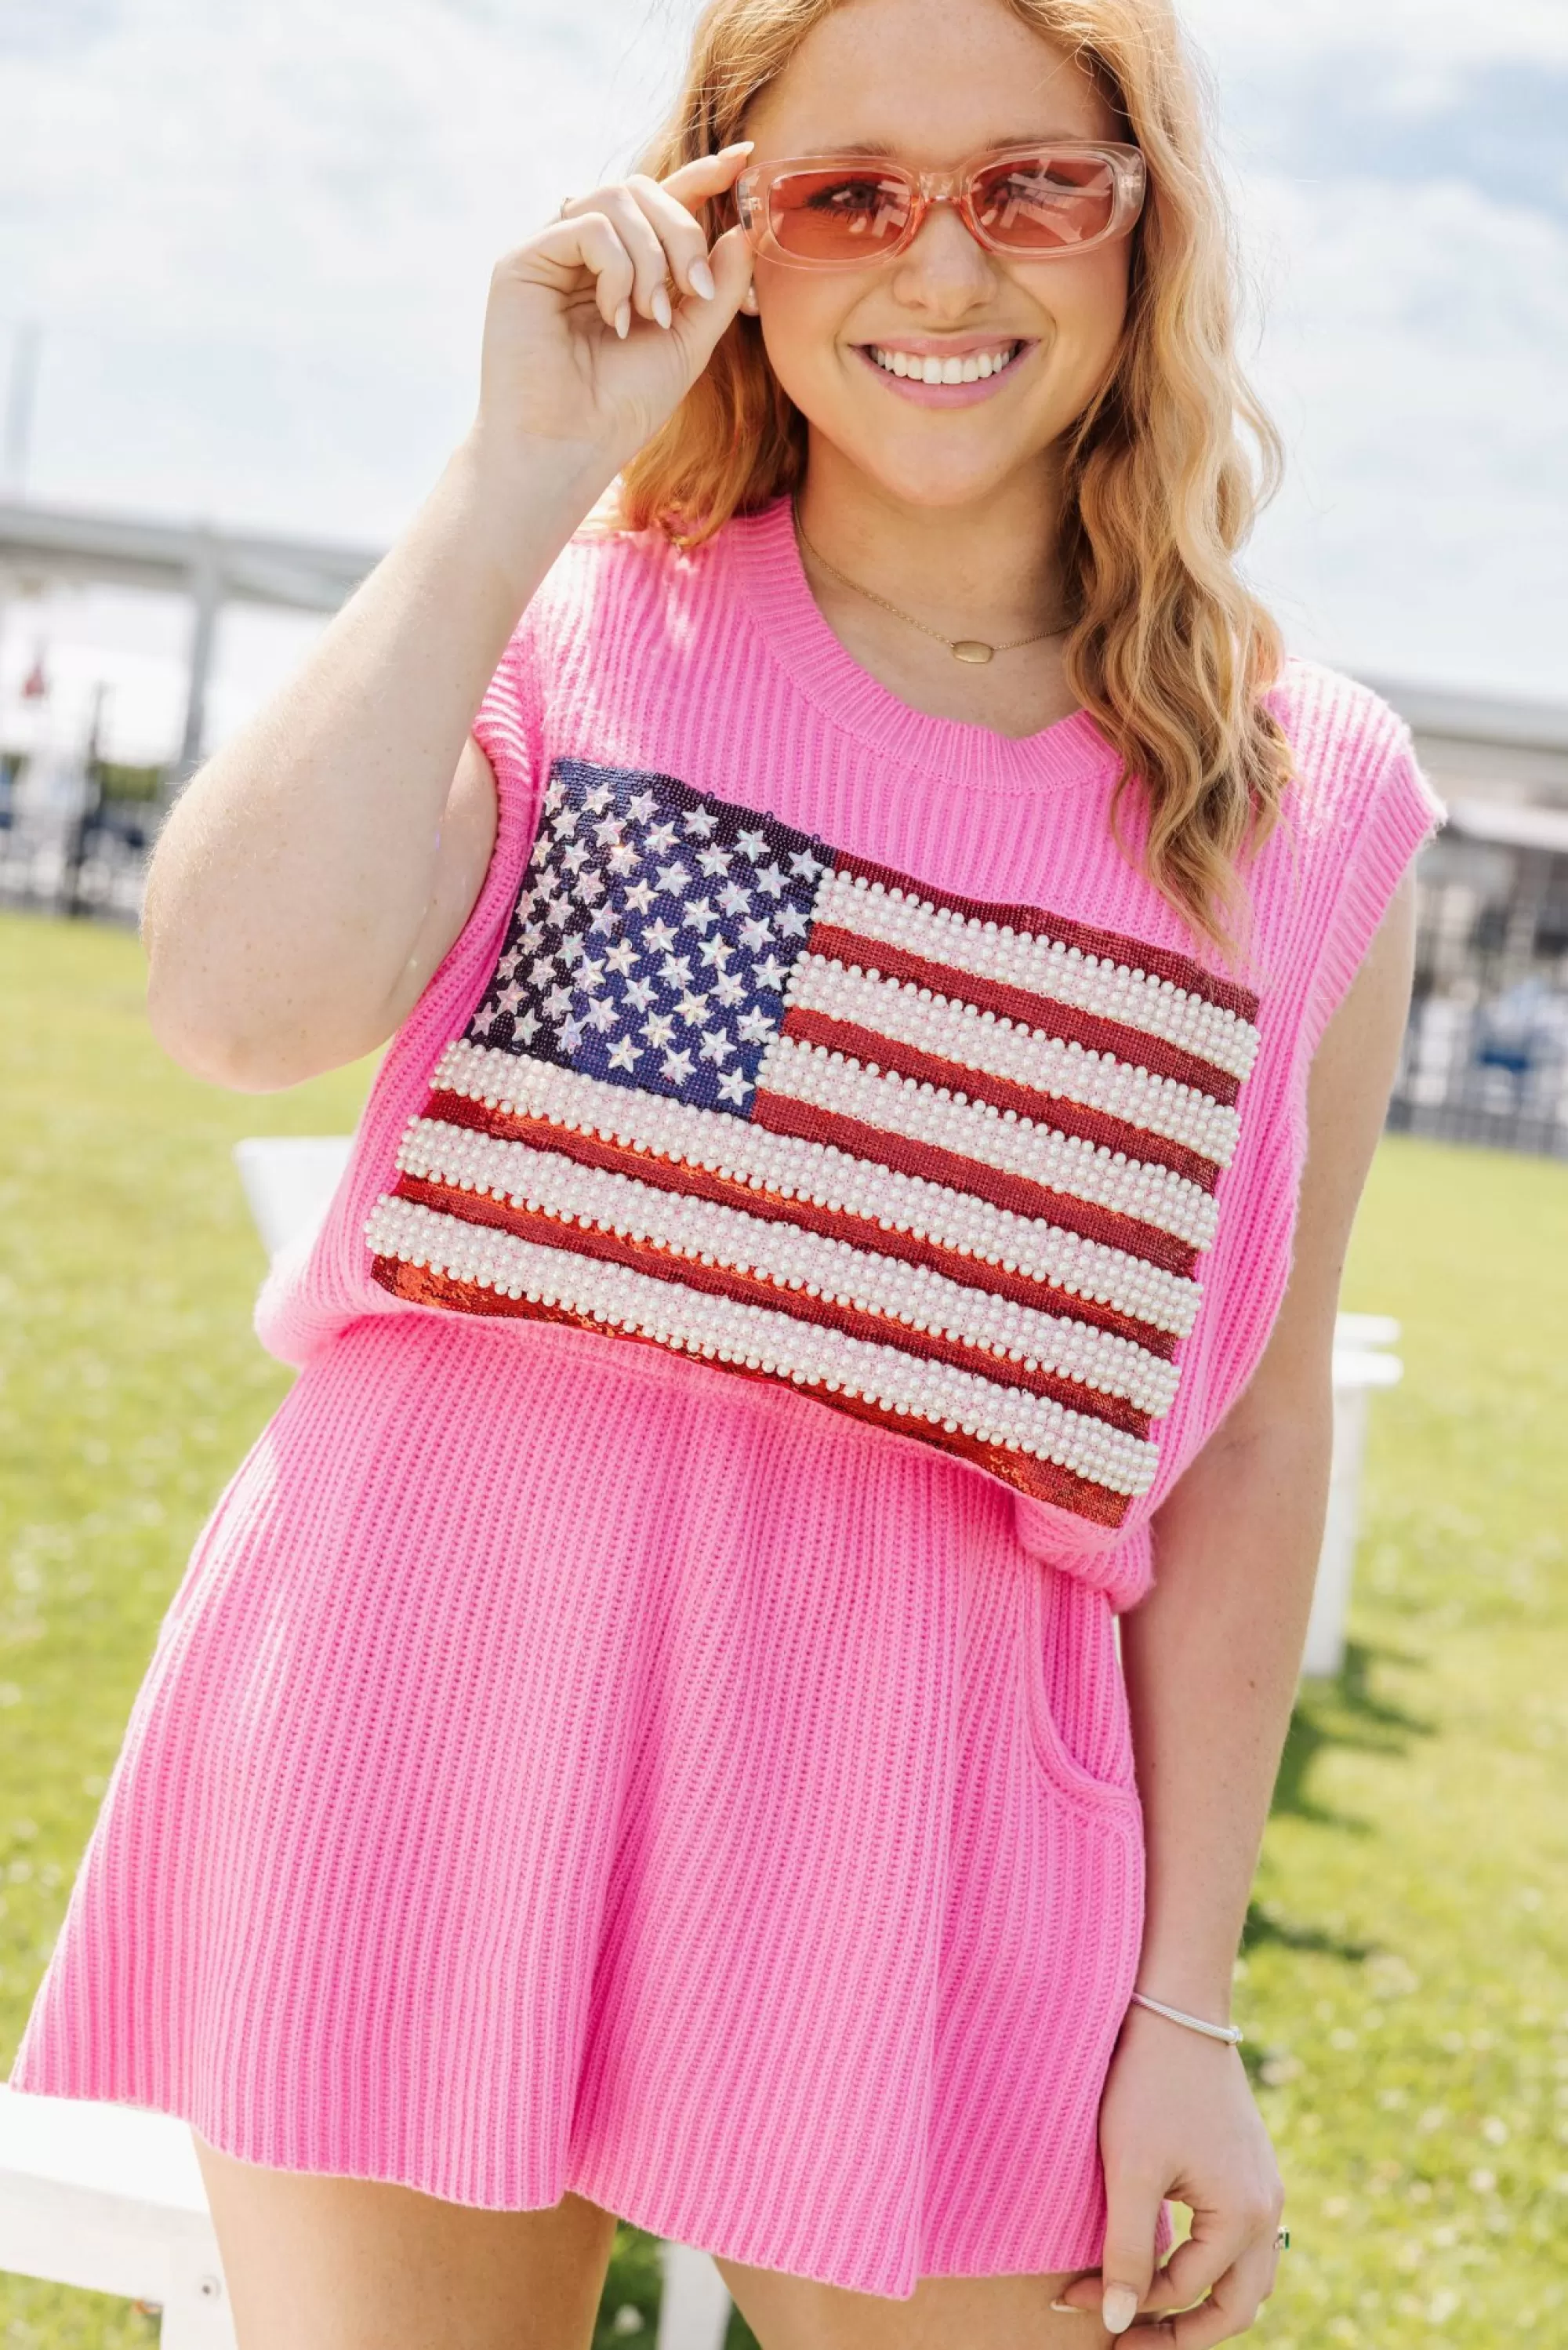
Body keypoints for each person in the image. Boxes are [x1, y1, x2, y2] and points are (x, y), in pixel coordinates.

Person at [9, 0, 1444, 2342]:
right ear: (725, 240)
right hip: (431, 1690)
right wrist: (507, 480)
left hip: (952, 1799)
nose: (944, 264)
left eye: (1030, 184)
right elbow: (237, 1008)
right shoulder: (573, 625)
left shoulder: (1310, 794)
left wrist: (1187, 2004)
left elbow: (1256, 1429)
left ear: (1143, 214)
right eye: (847, 194)